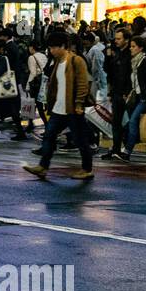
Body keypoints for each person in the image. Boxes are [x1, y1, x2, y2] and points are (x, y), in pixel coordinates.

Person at [22, 31, 93, 180]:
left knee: (80, 139)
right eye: (50, 48)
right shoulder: (56, 63)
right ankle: (43, 166)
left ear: (63, 46)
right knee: (49, 135)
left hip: (73, 108)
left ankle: (87, 169)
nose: (51, 51)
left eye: (54, 48)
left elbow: (82, 83)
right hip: (59, 108)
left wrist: (79, 103)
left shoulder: (76, 61)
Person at [119, 36, 146, 162]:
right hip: (137, 97)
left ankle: (127, 152)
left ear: (141, 48)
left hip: (145, 98)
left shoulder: (145, 61)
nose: (131, 49)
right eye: (130, 46)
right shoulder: (135, 61)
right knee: (144, 124)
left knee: (133, 121)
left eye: (133, 46)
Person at [100, 27, 132, 160]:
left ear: (127, 40)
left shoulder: (130, 54)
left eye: (119, 39)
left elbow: (130, 74)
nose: (116, 41)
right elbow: (108, 70)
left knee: (133, 122)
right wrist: (108, 55)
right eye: (116, 38)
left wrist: (128, 91)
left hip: (128, 93)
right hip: (117, 92)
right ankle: (116, 149)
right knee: (116, 122)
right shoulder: (117, 53)